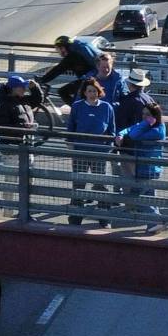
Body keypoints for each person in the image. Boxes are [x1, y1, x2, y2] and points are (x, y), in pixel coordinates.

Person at [66, 77, 117, 225]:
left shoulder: (107, 107)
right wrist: (70, 142)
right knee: (79, 183)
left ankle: (104, 216)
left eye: (94, 91)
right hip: (80, 151)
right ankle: (75, 216)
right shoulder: (77, 106)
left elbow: (111, 130)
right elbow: (71, 126)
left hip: (99, 152)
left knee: (100, 184)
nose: (92, 94)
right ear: (85, 93)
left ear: (99, 92)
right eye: (89, 91)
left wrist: (108, 147)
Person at [0, 75, 39, 221]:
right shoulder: (4, 104)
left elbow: (37, 100)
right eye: (21, 87)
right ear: (13, 89)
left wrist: (34, 87)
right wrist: (24, 128)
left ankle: (24, 211)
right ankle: (7, 213)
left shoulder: (22, 100)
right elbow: (3, 127)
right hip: (12, 148)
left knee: (28, 182)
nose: (24, 89)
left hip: (25, 146)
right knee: (11, 182)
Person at [115, 101, 168, 234]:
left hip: (150, 169)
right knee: (149, 197)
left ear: (155, 116)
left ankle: (157, 220)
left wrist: (146, 123)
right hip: (143, 168)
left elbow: (134, 135)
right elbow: (129, 129)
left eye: (148, 115)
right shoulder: (145, 126)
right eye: (143, 114)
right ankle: (154, 224)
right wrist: (120, 135)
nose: (144, 117)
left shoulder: (158, 130)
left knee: (136, 196)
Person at [39, 34, 105, 104]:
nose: (59, 52)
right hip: (96, 77)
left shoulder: (72, 56)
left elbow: (58, 70)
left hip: (90, 80)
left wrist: (42, 80)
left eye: (59, 48)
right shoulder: (77, 51)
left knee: (62, 91)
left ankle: (77, 111)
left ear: (65, 47)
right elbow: (61, 68)